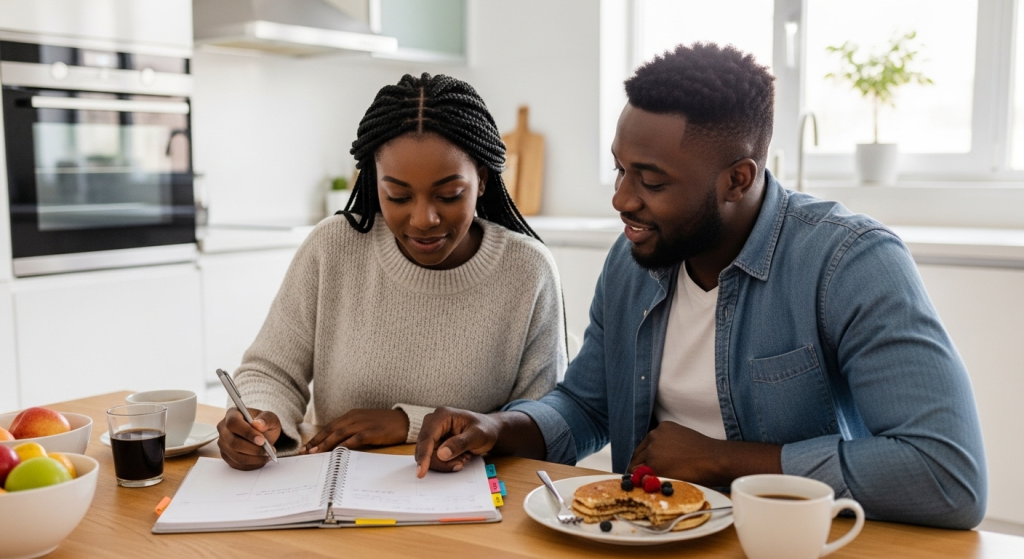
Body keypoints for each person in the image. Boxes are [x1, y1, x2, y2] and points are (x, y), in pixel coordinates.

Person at [414, 44, 987, 529]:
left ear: (738, 179)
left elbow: (947, 472)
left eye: (652, 180)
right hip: (652, 532)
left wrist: (724, 462)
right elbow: (589, 404)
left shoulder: (850, 262)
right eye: (620, 169)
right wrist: (501, 426)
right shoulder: (633, 257)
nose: (621, 199)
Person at [217, 73, 567, 471]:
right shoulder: (334, 247)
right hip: (335, 493)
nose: (423, 219)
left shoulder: (527, 270)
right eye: (397, 196)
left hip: (468, 501)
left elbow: (543, 425)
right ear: (374, 183)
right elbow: (271, 369)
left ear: (482, 181)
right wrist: (260, 420)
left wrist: (407, 424)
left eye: (449, 195)